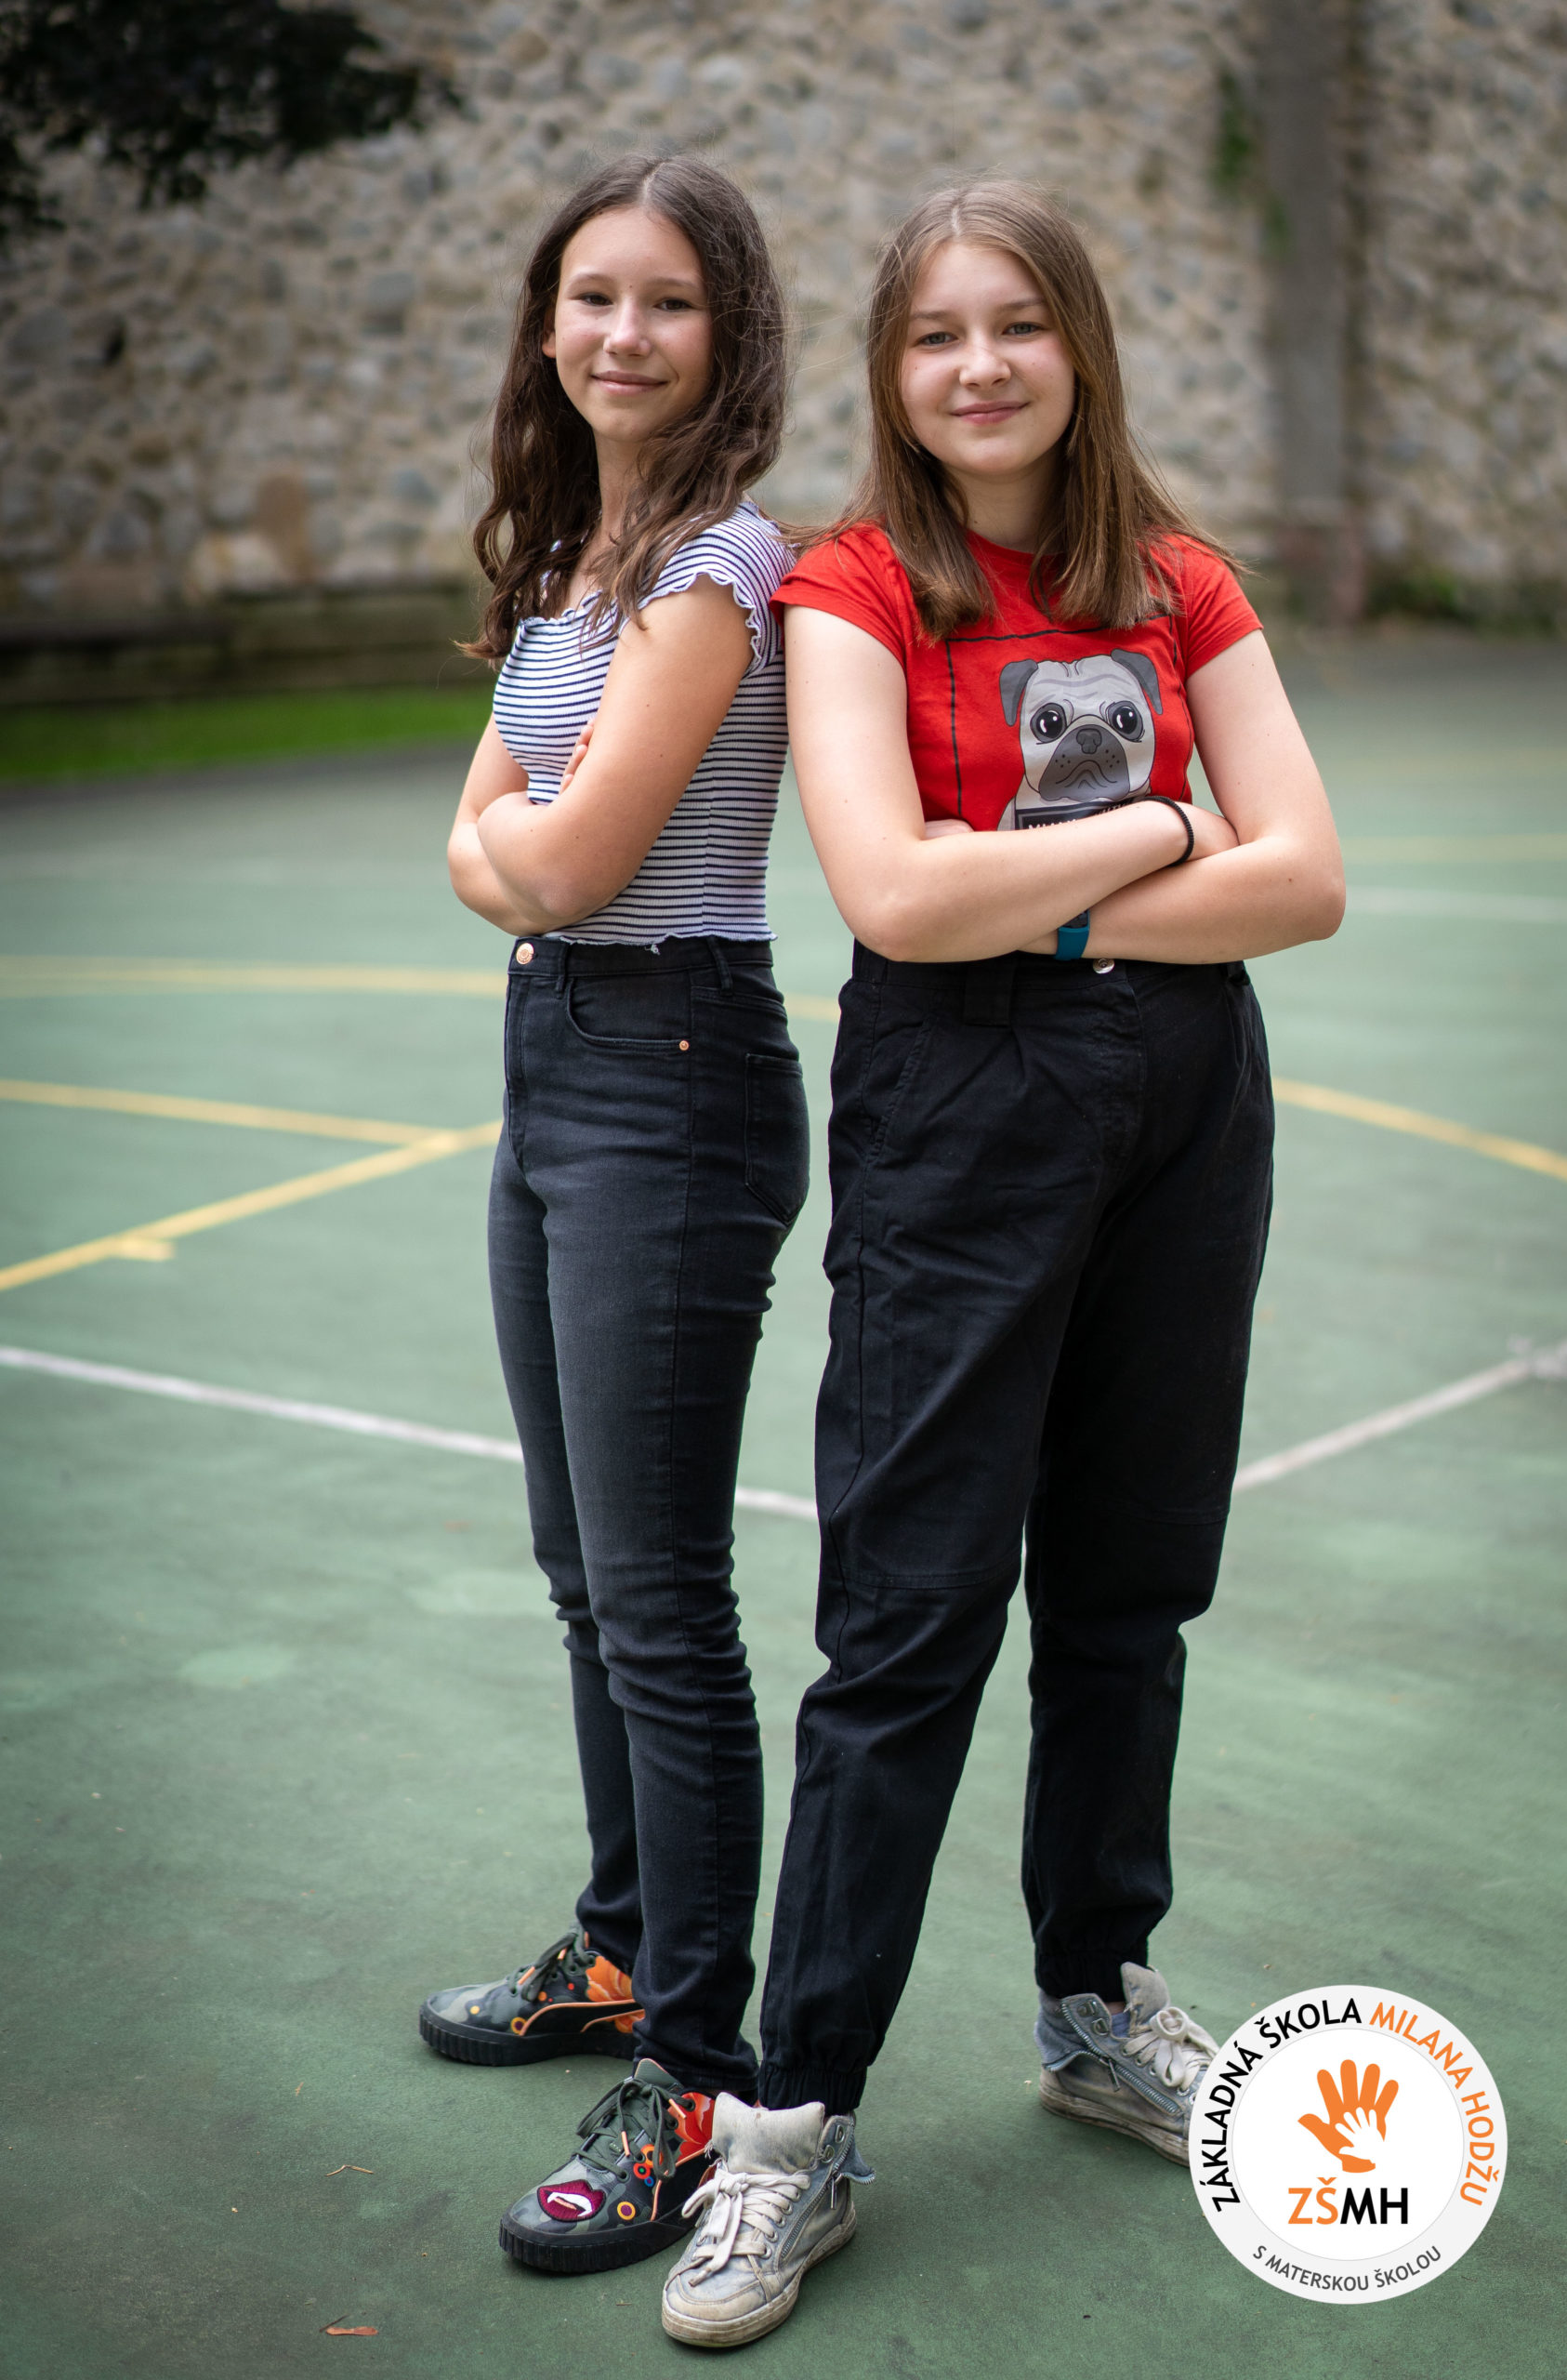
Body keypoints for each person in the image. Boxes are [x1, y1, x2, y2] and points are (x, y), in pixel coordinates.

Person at [658, 180, 1344, 2348]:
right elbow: (885, 894)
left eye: (1016, 325)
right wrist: (1162, 831)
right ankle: (790, 2121)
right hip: (957, 1114)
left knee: (1131, 1581)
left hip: (1184, 1108)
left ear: (1076, 350)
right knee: (907, 1615)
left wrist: (1015, 880)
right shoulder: (854, 585)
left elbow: (1309, 880)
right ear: (893, 369)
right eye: (936, 332)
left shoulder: (1180, 578)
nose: (978, 366)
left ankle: (1091, 1994)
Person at [424, 153, 810, 2281]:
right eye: (589, 295)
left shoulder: (719, 562)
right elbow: (481, 827)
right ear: (547, 320)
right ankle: (616, 1944)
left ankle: (694, 2069)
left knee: (659, 1601)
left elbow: (550, 861)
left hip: (669, 1063)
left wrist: (516, 851)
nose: (619, 335)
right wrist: (517, 849)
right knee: (585, 1574)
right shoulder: (582, 556)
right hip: (557, 1059)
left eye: (664, 300)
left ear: (722, 331)